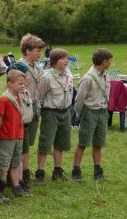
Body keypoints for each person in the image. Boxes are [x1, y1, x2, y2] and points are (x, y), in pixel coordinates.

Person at [72, 48, 113, 181]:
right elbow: (79, 98)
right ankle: (76, 171)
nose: (111, 63)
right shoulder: (88, 78)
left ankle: (98, 171)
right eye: (109, 60)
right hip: (89, 112)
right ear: (103, 61)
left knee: (98, 143)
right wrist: (78, 115)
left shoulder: (106, 76)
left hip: (102, 112)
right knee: (83, 143)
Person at [35, 48, 73, 183]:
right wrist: (38, 113)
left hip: (65, 112)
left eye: (67, 58)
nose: (66, 61)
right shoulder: (47, 78)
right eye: (63, 58)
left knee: (61, 143)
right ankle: (40, 172)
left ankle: (57, 170)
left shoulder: (69, 75)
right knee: (45, 143)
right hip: (50, 113)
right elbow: (39, 97)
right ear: (54, 62)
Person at [0, 69, 29, 199]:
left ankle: (16, 186)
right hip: (7, 136)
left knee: (15, 162)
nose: (23, 86)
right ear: (10, 83)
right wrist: (3, 131)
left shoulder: (18, 97)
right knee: (1, 163)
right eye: (20, 84)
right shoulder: (5, 99)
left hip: (18, 134)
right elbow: (0, 118)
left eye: (24, 84)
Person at [17, 34, 45, 187]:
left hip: (34, 108)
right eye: (37, 50)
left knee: (28, 143)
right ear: (27, 51)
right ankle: (21, 174)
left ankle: (24, 172)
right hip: (22, 109)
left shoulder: (37, 67)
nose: (40, 54)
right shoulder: (19, 67)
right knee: (22, 144)